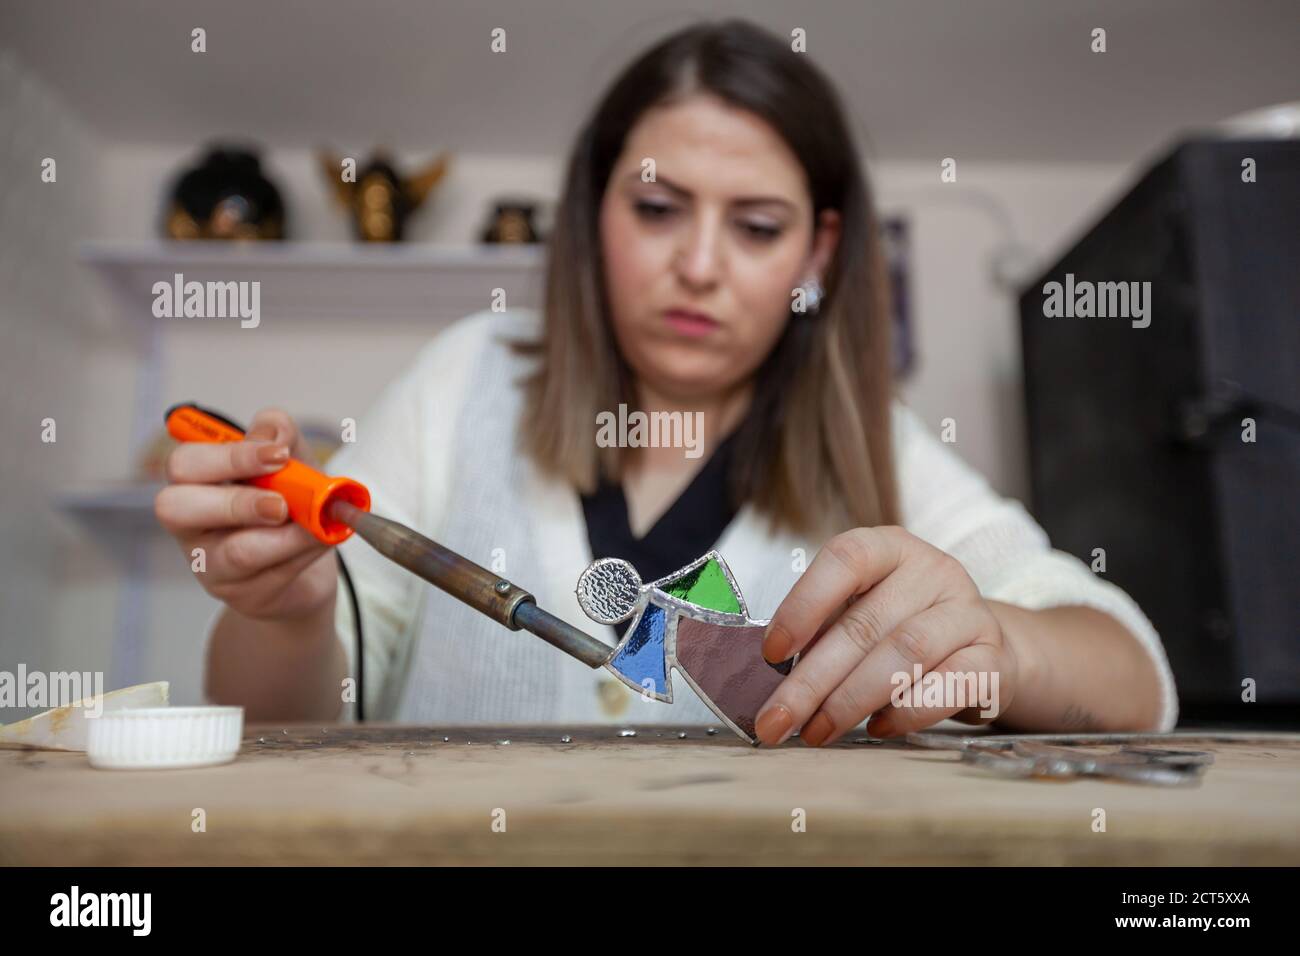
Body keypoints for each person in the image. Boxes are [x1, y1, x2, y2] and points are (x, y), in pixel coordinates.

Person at [154, 19, 1177, 746]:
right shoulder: (464, 376)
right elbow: (274, 724)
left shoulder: (878, 445)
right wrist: (281, 615)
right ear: (593, 211)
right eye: (656, 209)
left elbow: (1136, 681)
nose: (699, 263)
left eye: (757, 225)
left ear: (817, 252)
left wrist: (999, 644)